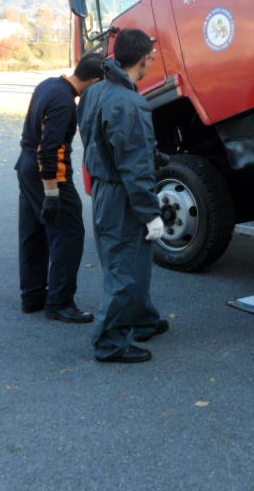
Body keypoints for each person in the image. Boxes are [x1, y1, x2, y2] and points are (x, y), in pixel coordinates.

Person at [78, 29, 167, 364]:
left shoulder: (96, 91)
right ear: (144, 59)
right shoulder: (130, 103)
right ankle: (110, 342)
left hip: (106, 187)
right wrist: (150, 213)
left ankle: (142, 319)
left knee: (129, 262)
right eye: (153, 55)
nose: (154, 60)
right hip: (124, 195)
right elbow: (135, 167)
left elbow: (96, 136)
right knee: (125, 268)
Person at [15, 52, 105, 322]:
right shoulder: (65, 102)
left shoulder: (48, 84)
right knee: (69, 235)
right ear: (95, 81)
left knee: (33, 233)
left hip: (26, 168)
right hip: (48, 176)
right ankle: (60, 303)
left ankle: (32, 297)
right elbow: (48, 149)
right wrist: (52, 193)